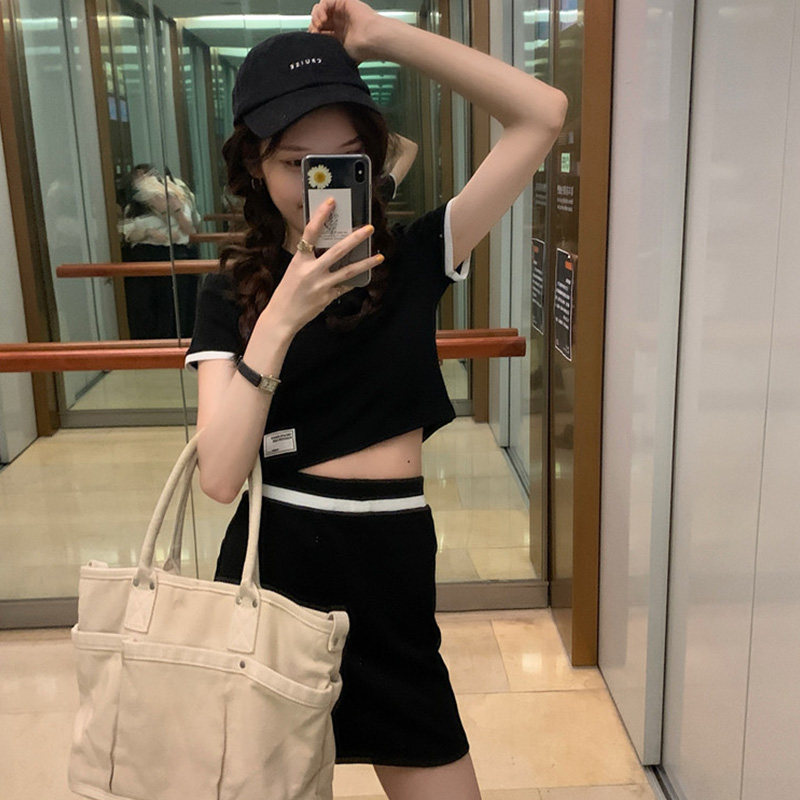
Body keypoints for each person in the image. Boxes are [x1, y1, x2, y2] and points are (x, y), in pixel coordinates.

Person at [185, 3, 566, 798]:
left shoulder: (416, 258)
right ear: (255, 164)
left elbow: (543, 114)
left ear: (371, 163)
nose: (318, 187)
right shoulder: (231, 292)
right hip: (276, 576)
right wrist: (281, 318)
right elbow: (218, 476)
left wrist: (382, 35)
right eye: (296, 163)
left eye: (345, 161)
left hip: (392, 577)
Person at [119, 164, 200, 338]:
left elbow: (189, 230)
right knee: (146, 311)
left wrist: (171, 207)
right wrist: (148, 232)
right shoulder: (133, 208)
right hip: (143, 258)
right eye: (140, 180)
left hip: (176, 255)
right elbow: (126, 234)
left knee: (176, 309)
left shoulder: (178, 198)